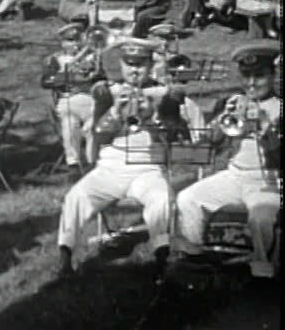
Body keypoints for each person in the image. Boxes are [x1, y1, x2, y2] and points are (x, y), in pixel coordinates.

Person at [56, 39, 199, 280]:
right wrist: (114, 112)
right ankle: (65, 257)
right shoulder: (107, 92)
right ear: (121, 64)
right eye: (129, 64)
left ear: (150, 65)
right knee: (77, 196)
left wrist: (156, 118)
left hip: (148, 167)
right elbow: (99, 135)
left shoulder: (164, 93)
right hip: (110, 166)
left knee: (161, 197)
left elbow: (177, 134)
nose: (135, 70)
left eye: (141, 65)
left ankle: (161, 257)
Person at [176, 42, 281, 279]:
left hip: (269, 181)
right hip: (235, 176)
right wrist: (223, 121)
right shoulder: (234, 102)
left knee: (261, 217)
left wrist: (265, 127)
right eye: (246, 76)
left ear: (273, 75)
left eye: (259, 76)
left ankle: (262, 272)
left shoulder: (279, 109)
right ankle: (195, 260)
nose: (252, 83)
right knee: (188, 199)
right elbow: (211, 144)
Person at [41, 22, 103, 170]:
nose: (74, 44)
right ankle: (73, 161)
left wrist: (93, 73)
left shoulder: (93, 57)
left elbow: (103, 79)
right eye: (70, 40)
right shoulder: (55, 60)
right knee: (69, 125)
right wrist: (69, 75)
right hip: (68, 99)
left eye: (77, 40)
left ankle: (92, 161)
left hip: (90, 99)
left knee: (91, 126)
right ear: (62, 43)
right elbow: (46, 82)